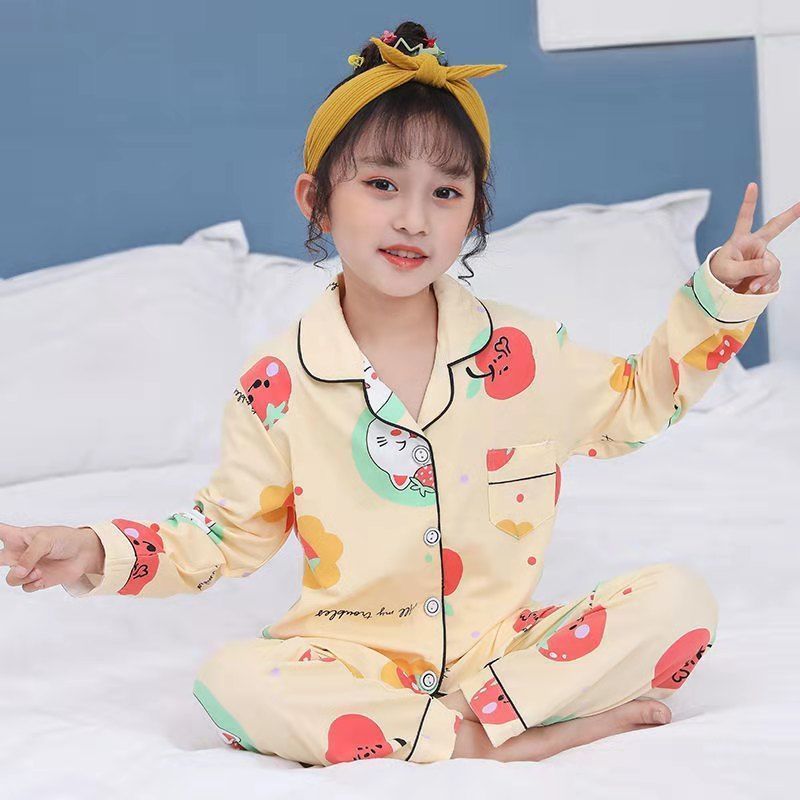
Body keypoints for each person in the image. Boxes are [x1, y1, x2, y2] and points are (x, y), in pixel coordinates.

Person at [1, 20, 792, 767]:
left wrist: (719, 297)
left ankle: (475, 719)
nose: (413, 219)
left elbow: (635, 405)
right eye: (382, 184)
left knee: (680, 600)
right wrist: (93, 550)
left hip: (500, 651)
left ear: (473, 214)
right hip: (351, 662)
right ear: (316, 199)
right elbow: (221, 536)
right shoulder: (276, 384)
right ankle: (498, 741)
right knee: (231, 682)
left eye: (446, 194)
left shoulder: (520, 353)